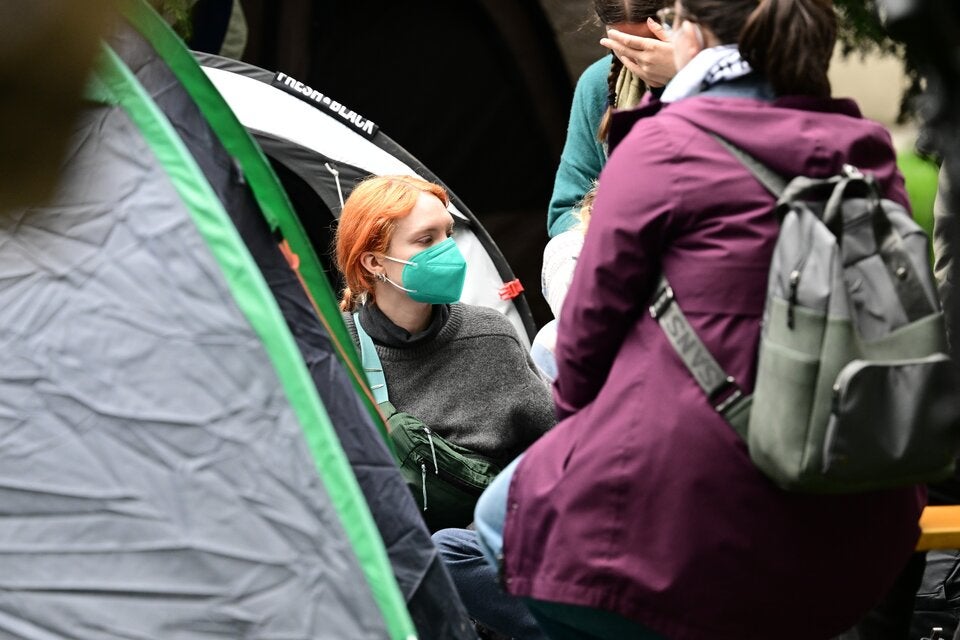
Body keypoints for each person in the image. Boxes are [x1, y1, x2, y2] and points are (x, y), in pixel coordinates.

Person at [477, 1, 926, 639]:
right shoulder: (867, 151)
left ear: (690, 31)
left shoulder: (661, 143)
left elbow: (576, 361)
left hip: (705, 527)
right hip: (869, 512)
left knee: (501, 524)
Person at [334, 174, 556, 518]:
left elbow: (558, 450)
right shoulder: (335, 351)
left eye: (448, 234)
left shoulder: (490, 336)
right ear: (374, 262)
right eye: (426, 240)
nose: (448, 251)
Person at [546, 0, 675, 238]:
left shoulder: (734, 74)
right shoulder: (598, 84)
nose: (641, 61)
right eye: (626, 48)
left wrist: (684, 76)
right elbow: (564, 210)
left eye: (651, 45)